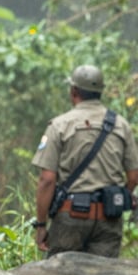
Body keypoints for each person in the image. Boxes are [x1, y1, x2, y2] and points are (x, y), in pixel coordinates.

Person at [32, 64, 138, 257]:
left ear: (74, 91)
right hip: (109, 219)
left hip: (70, 217)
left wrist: (41, 225)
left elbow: (47, 180)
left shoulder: (59, 126)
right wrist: (115, 200)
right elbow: (133, 176)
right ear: (100, 92)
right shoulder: (121, 125)